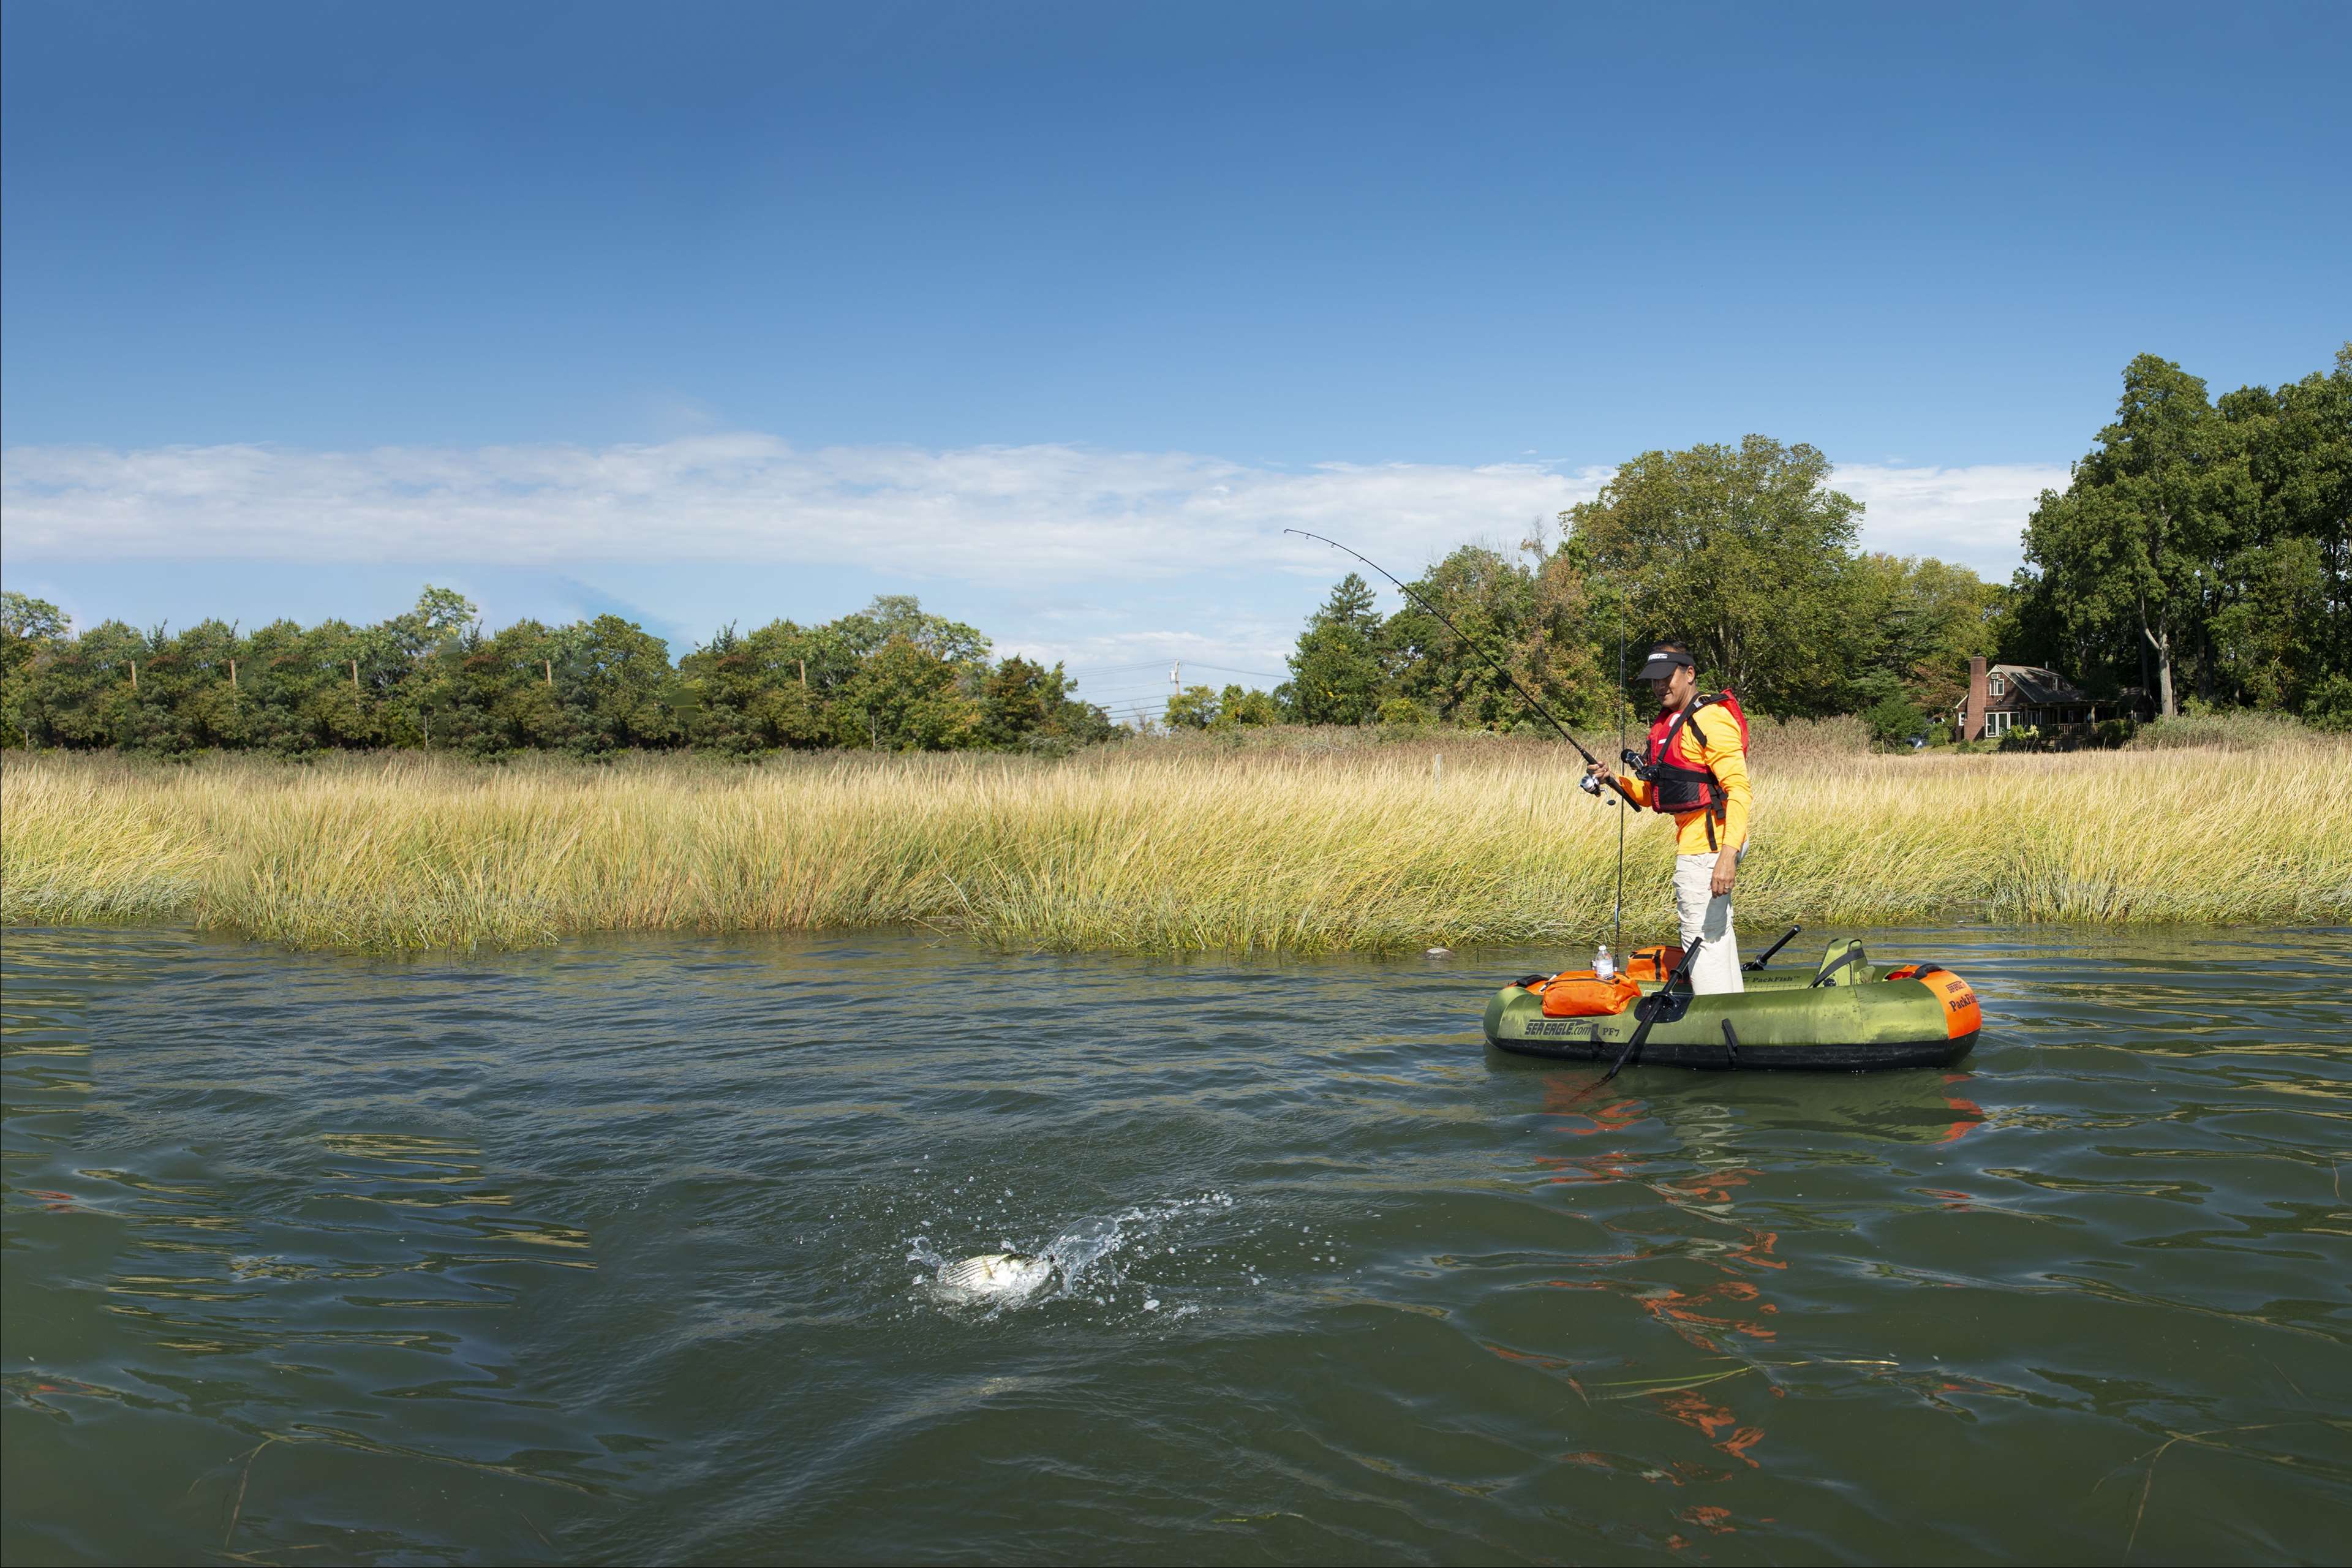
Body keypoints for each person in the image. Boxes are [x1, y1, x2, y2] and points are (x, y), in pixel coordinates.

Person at [1585, 641, 1751, 994]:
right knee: (1716, 935)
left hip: (1709, 848)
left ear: (1689, 674)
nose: (1660, 686)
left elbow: (1739, 790)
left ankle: (1713, 1023)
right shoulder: (1669, 724)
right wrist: (1612, 779)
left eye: (1666, 678)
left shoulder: (1709, 719)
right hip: (1704, 845)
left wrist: (1727, 855)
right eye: (1653, 681)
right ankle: (1734, 1011)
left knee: (1700, 940)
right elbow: (1651, 795)